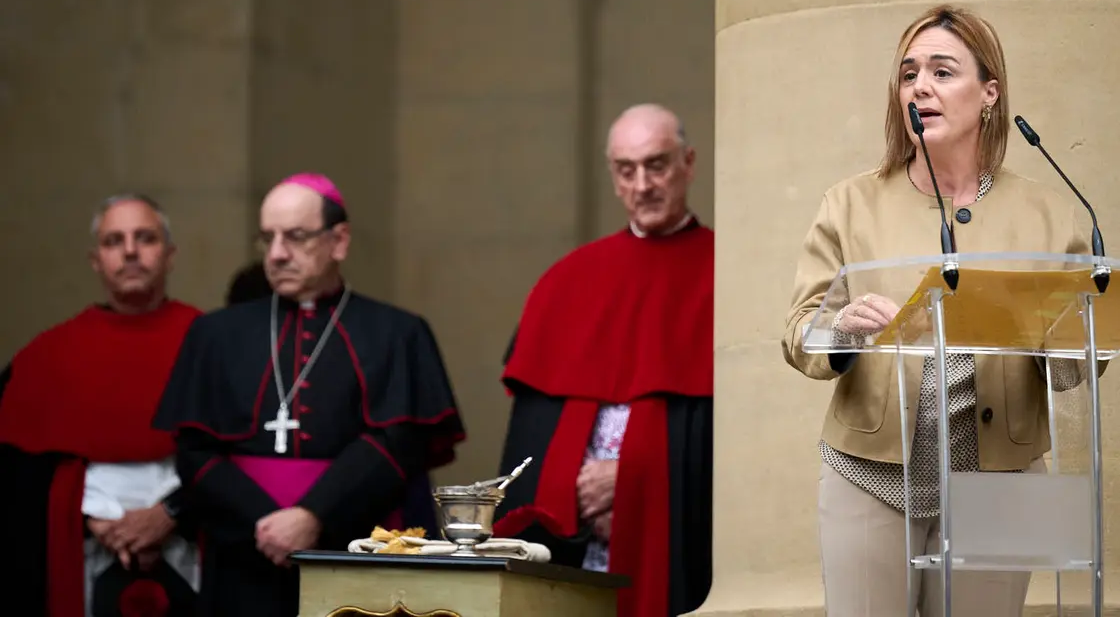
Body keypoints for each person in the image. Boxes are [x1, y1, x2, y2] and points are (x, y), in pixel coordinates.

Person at [781, 5, 1101, 617]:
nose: (920, 86)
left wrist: (1053, 341)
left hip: (1004, 478)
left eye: (941, 71)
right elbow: (800, 333)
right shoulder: (850, 204)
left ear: (989, 93)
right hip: (870, 472)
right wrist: (841, 330)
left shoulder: (1052, 216)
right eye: (908, 74)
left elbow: (1079, 353)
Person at [152, 173, 466, 617]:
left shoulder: (396, 334)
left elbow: (398, 442)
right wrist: (267, 525)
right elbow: (193, 452)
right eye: (268, 238)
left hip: (353, 552)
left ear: (339, 241)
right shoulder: (215, 335)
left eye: (296, 237)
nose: (277, 254)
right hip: (243, 554)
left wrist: (313, 515)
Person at [492, 104, 713, 617]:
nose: (642, 184)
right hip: (580, 532)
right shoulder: (567, 281)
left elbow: (736, 440)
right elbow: (532, 440)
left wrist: (637, 481)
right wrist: (574, 492)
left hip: (676, 536)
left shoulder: (724, 271)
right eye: (626, 169)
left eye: (657, 165)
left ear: (689, 163)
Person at [0, 194, 202, 616]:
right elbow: (17, 474)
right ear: (96, 260)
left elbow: (240, 456)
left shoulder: (212, 343)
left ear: (169, 254)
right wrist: (91, 519)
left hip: (192, 545)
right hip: (84, 554)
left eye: (145, 238)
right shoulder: (48, 355)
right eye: (114, 241)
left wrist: (170, 515)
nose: (130, 251)